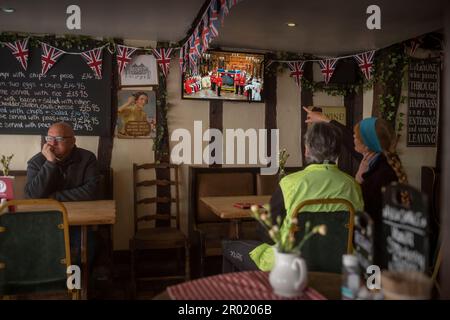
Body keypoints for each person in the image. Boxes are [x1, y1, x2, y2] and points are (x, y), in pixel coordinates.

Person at [222, 122, 364, 272]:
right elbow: (358, 232)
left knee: (229, 246)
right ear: (337, 151)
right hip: (339, 266)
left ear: (307, 150)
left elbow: (269, 234)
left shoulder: (289, 184)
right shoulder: (352, 186)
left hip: (288, 266)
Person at [303, 108, 408, 263]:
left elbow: (361, 208)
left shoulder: (382, 174)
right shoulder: (377, 158)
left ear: (366, 145)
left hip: (377, 253)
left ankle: (369, 286)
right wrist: (325, 119)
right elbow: (346, 137)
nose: (352, 138)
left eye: (356, 136)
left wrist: (357, 181)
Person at [25, 121, 100, 265]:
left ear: (73, 141)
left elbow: (92, 191)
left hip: (81, 220)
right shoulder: (37, 162)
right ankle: (52, 281)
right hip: (46, 221)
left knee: (87, 248)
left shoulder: (87, 158)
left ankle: (77, 283)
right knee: (37, 249)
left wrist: (53, 197)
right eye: (49, 138)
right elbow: (32, 196)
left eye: (59, 139)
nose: (52, 143)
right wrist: (50, 163)